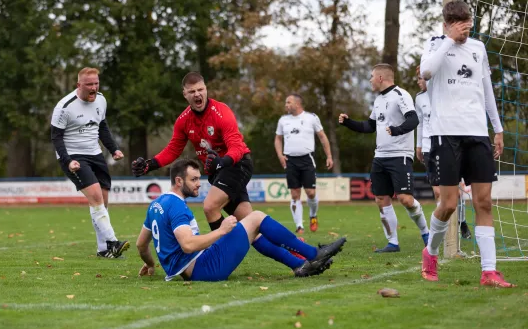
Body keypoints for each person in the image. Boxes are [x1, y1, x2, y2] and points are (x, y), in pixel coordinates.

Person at [132, 72, 317, 275]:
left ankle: (222, 252)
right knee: (253, 229)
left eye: (201, 89)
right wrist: (150, 164)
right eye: (192, 91)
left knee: (210, 206)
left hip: (237, 165)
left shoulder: (221, 112)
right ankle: (299, 261)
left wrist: (221, 162)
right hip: (219, 173)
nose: (197, 94)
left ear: (206, 89)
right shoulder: (184, 120)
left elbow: (237, 147)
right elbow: (173, 149)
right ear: (184, 94)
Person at [419, 0, 514, 286]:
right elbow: (426, 72)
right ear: (447, 23)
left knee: (483, 201)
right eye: (458, 23)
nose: (465, 28)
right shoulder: (436, 44)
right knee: (448, 204)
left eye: (467, 22)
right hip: (445, 134)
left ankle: (489, 271)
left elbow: (486, 89)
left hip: (477, 133)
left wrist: (497, 128)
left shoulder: (478, 49)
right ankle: (431, 253)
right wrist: (449, 40)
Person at [135, 159, 347, 281]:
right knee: (255, 218)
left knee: (252, 228)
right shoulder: (177, 206)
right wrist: (222, 230)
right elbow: (188, 245)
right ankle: (312, 254)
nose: (199, 184)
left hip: (196, 266)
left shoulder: (157, 204)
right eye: (194, 180)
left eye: (199, 178)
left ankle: (300, 265)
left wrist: (151, 264)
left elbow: (141, 244)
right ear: (179, 181)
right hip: (202, 270)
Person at [339, 63, 429, 253]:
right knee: (381, 199)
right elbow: (370, 126)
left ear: (381, 78)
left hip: (400, 156)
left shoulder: (400, 95)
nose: (370, 80)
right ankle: (393, 243)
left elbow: (413, 119)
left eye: (372, 76)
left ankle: (426, 234)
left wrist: (397, 130)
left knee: (405, 199)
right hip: (380, 157)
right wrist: (348, 123)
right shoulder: (378, 100)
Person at [50, 67, 129, 258]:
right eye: (89, 84)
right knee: (95, 197)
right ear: (79, 85)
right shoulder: (64, 107)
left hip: (96, 154)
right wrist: (68, 161)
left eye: (96, 83)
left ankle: (103, 249)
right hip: (74, 157)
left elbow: (102, 127)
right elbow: (56, 137)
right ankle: (113, 242)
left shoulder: (101, 100)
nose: (94, 87)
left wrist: (113, 149)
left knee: (102, 200)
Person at [415, 70, 471, 239]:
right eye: (417, 78)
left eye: (420, 78)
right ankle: (443, 227)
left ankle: (462, 222)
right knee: (438, 192)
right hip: (428, 146)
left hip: (448, 145)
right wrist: (418, 146)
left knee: (457, 193)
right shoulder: (418, 98)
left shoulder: (445, 92)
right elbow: (420, 123)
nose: (418, 81)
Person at [274, 94, 333, 233]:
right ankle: (299, 225)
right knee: (295, 194)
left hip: (307, 159)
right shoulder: (283, 120)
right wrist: (280, 155)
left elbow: (322, 137)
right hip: (290, 160)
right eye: (285, 102)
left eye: (289, 102)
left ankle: (313, 215)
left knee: (310, 193)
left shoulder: (311, 118)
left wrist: (329, 156)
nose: (286, 105)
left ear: (297, 104)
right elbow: (277, 139)